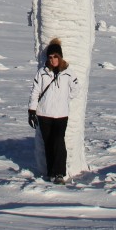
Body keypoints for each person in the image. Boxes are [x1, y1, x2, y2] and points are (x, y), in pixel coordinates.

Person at [28, 38, 80, 184]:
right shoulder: (42, 73)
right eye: (50, 57)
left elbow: (76, 89)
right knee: (48, 143)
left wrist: (66, 98)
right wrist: (31, 111)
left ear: (60, 57)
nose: (52, 60)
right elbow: (35, 92)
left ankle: (59, 173)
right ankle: (51, 172)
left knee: (58, 141)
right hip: (44, 114)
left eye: (55, 57)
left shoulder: (68, 73)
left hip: (61, 114)